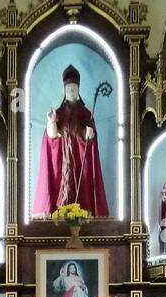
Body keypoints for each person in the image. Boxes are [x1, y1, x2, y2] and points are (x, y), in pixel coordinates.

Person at [32, 64, 110, 218]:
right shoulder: (59, 113)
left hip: (81, 164)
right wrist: (51, 122)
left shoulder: (86, 114)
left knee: (83, 196)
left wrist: (89, 135)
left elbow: (91, 142)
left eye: (74, 89)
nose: (72, 92)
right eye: (69, 89)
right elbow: (51, 139)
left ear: (79, 90)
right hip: (62, 166)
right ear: (64, 91)